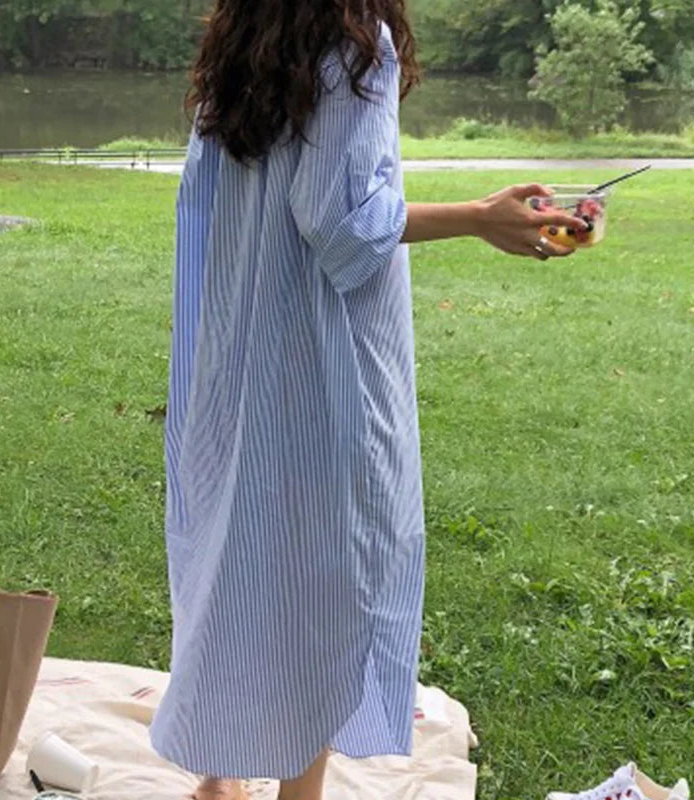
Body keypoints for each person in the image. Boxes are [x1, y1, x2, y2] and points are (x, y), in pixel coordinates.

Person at [149, 2, 586, 799]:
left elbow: (214, 197)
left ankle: (219, 778)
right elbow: (344, 223)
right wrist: (480, 218)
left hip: (242, 336)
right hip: (322, 352)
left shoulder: (247, 30)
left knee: (238, 545)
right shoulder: (354, 44)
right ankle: (298, 793)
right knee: (326, 568)